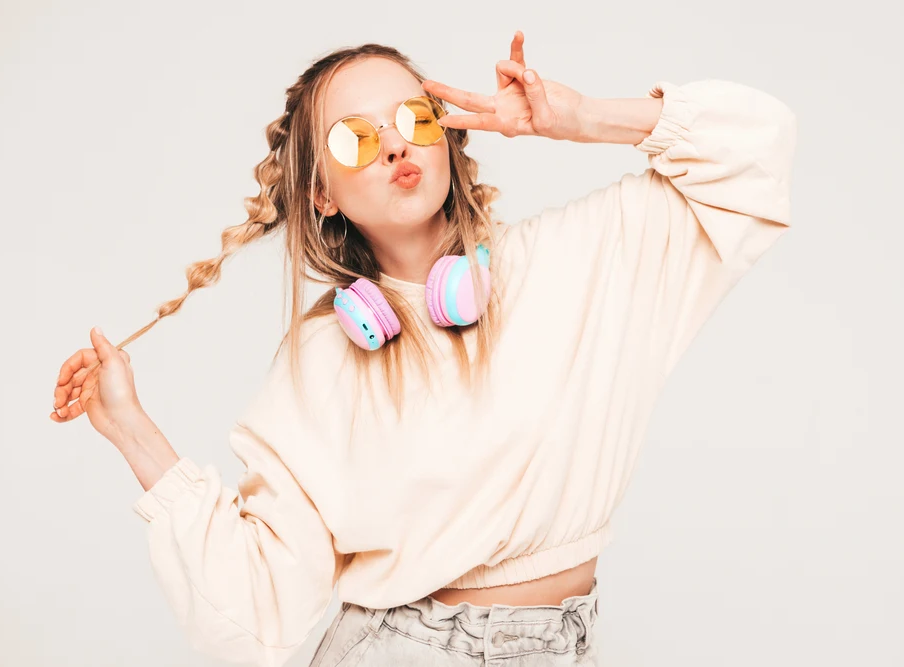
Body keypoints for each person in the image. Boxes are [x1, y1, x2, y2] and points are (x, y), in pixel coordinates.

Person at [50, 30, 797, 667]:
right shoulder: (324, 356)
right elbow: (257, 600)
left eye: (414, 116)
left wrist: (582, 118)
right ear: (322, 193)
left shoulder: (578, 258)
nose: (396, 144)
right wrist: (128, 425)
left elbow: (758, 151)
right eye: (356, 136)